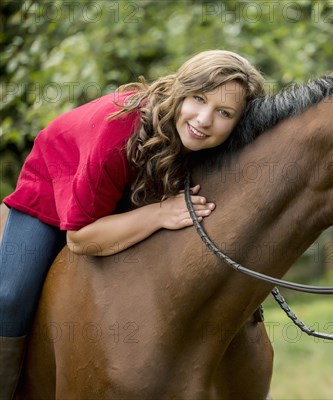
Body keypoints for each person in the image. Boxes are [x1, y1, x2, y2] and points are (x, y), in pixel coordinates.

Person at [0, 50, 265, 398]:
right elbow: (80, 238)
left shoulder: (211, 141)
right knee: (8, 296)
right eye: (199, 98)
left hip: (132, 184)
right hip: (54, 182)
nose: (203, 119)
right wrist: (159, 214)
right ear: (181, 91)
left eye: (224, 112)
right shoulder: (116, 133)